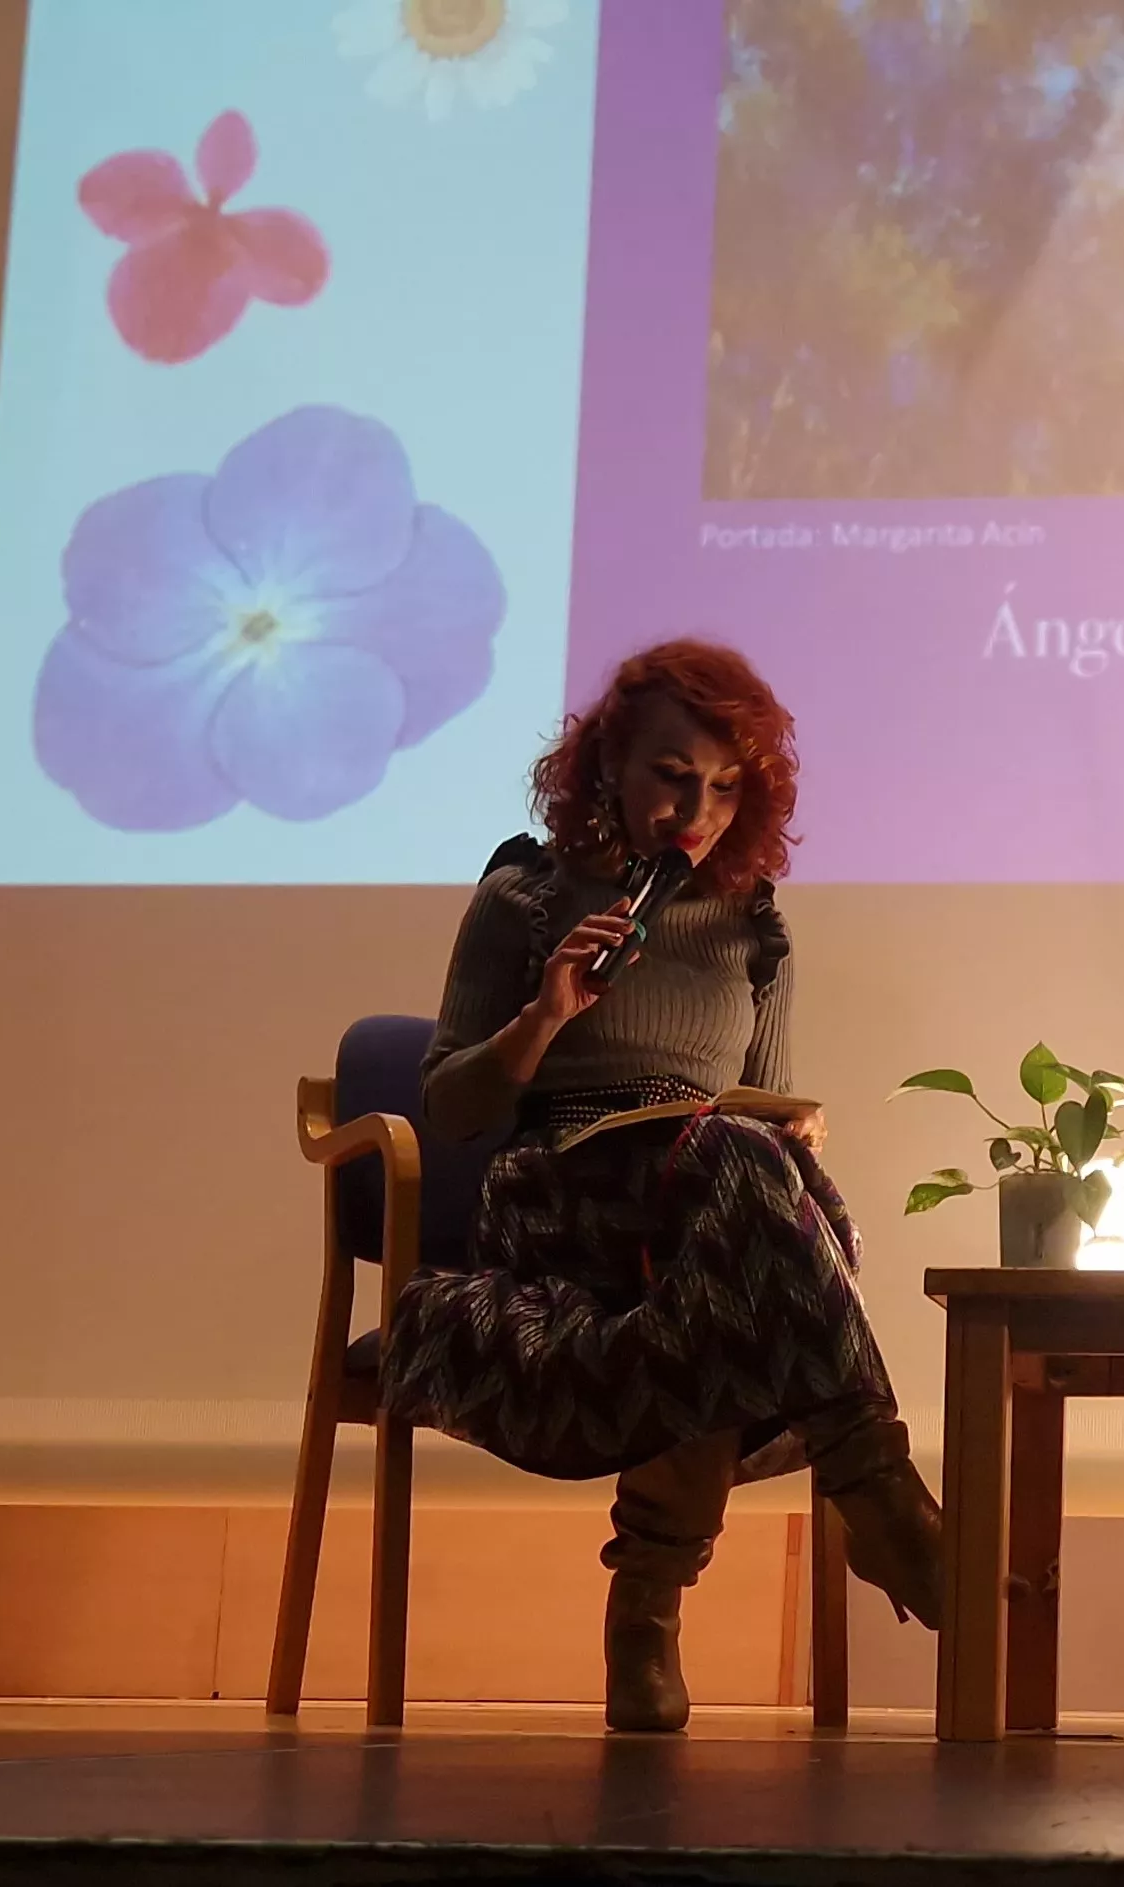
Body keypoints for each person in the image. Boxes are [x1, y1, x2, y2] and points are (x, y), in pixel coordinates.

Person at [385, 639, 942, 1734]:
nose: (697, 811)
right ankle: (876, 1495)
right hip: (556, 1195)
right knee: (736, 1190)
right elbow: (448, 1106)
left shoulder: (755, 926)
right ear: (608, 769)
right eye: (673, 777)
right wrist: (545, 1016)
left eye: (727, 789)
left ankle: (645, 1612)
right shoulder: (524, 899)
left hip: (698, 1190)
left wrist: (792, 1125)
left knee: (745, 1188)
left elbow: (761, 1104)